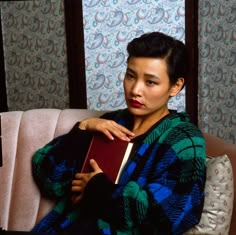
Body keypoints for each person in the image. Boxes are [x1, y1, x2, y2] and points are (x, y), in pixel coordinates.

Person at [31, 31, 206, 235]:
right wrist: (82, 129)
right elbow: (49, 178)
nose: (135, 90)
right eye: (131, 76)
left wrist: (97, 189)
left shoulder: (185, 140)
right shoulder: (109, 122)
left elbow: (169, 215)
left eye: (150, 82)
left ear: (175, 86)